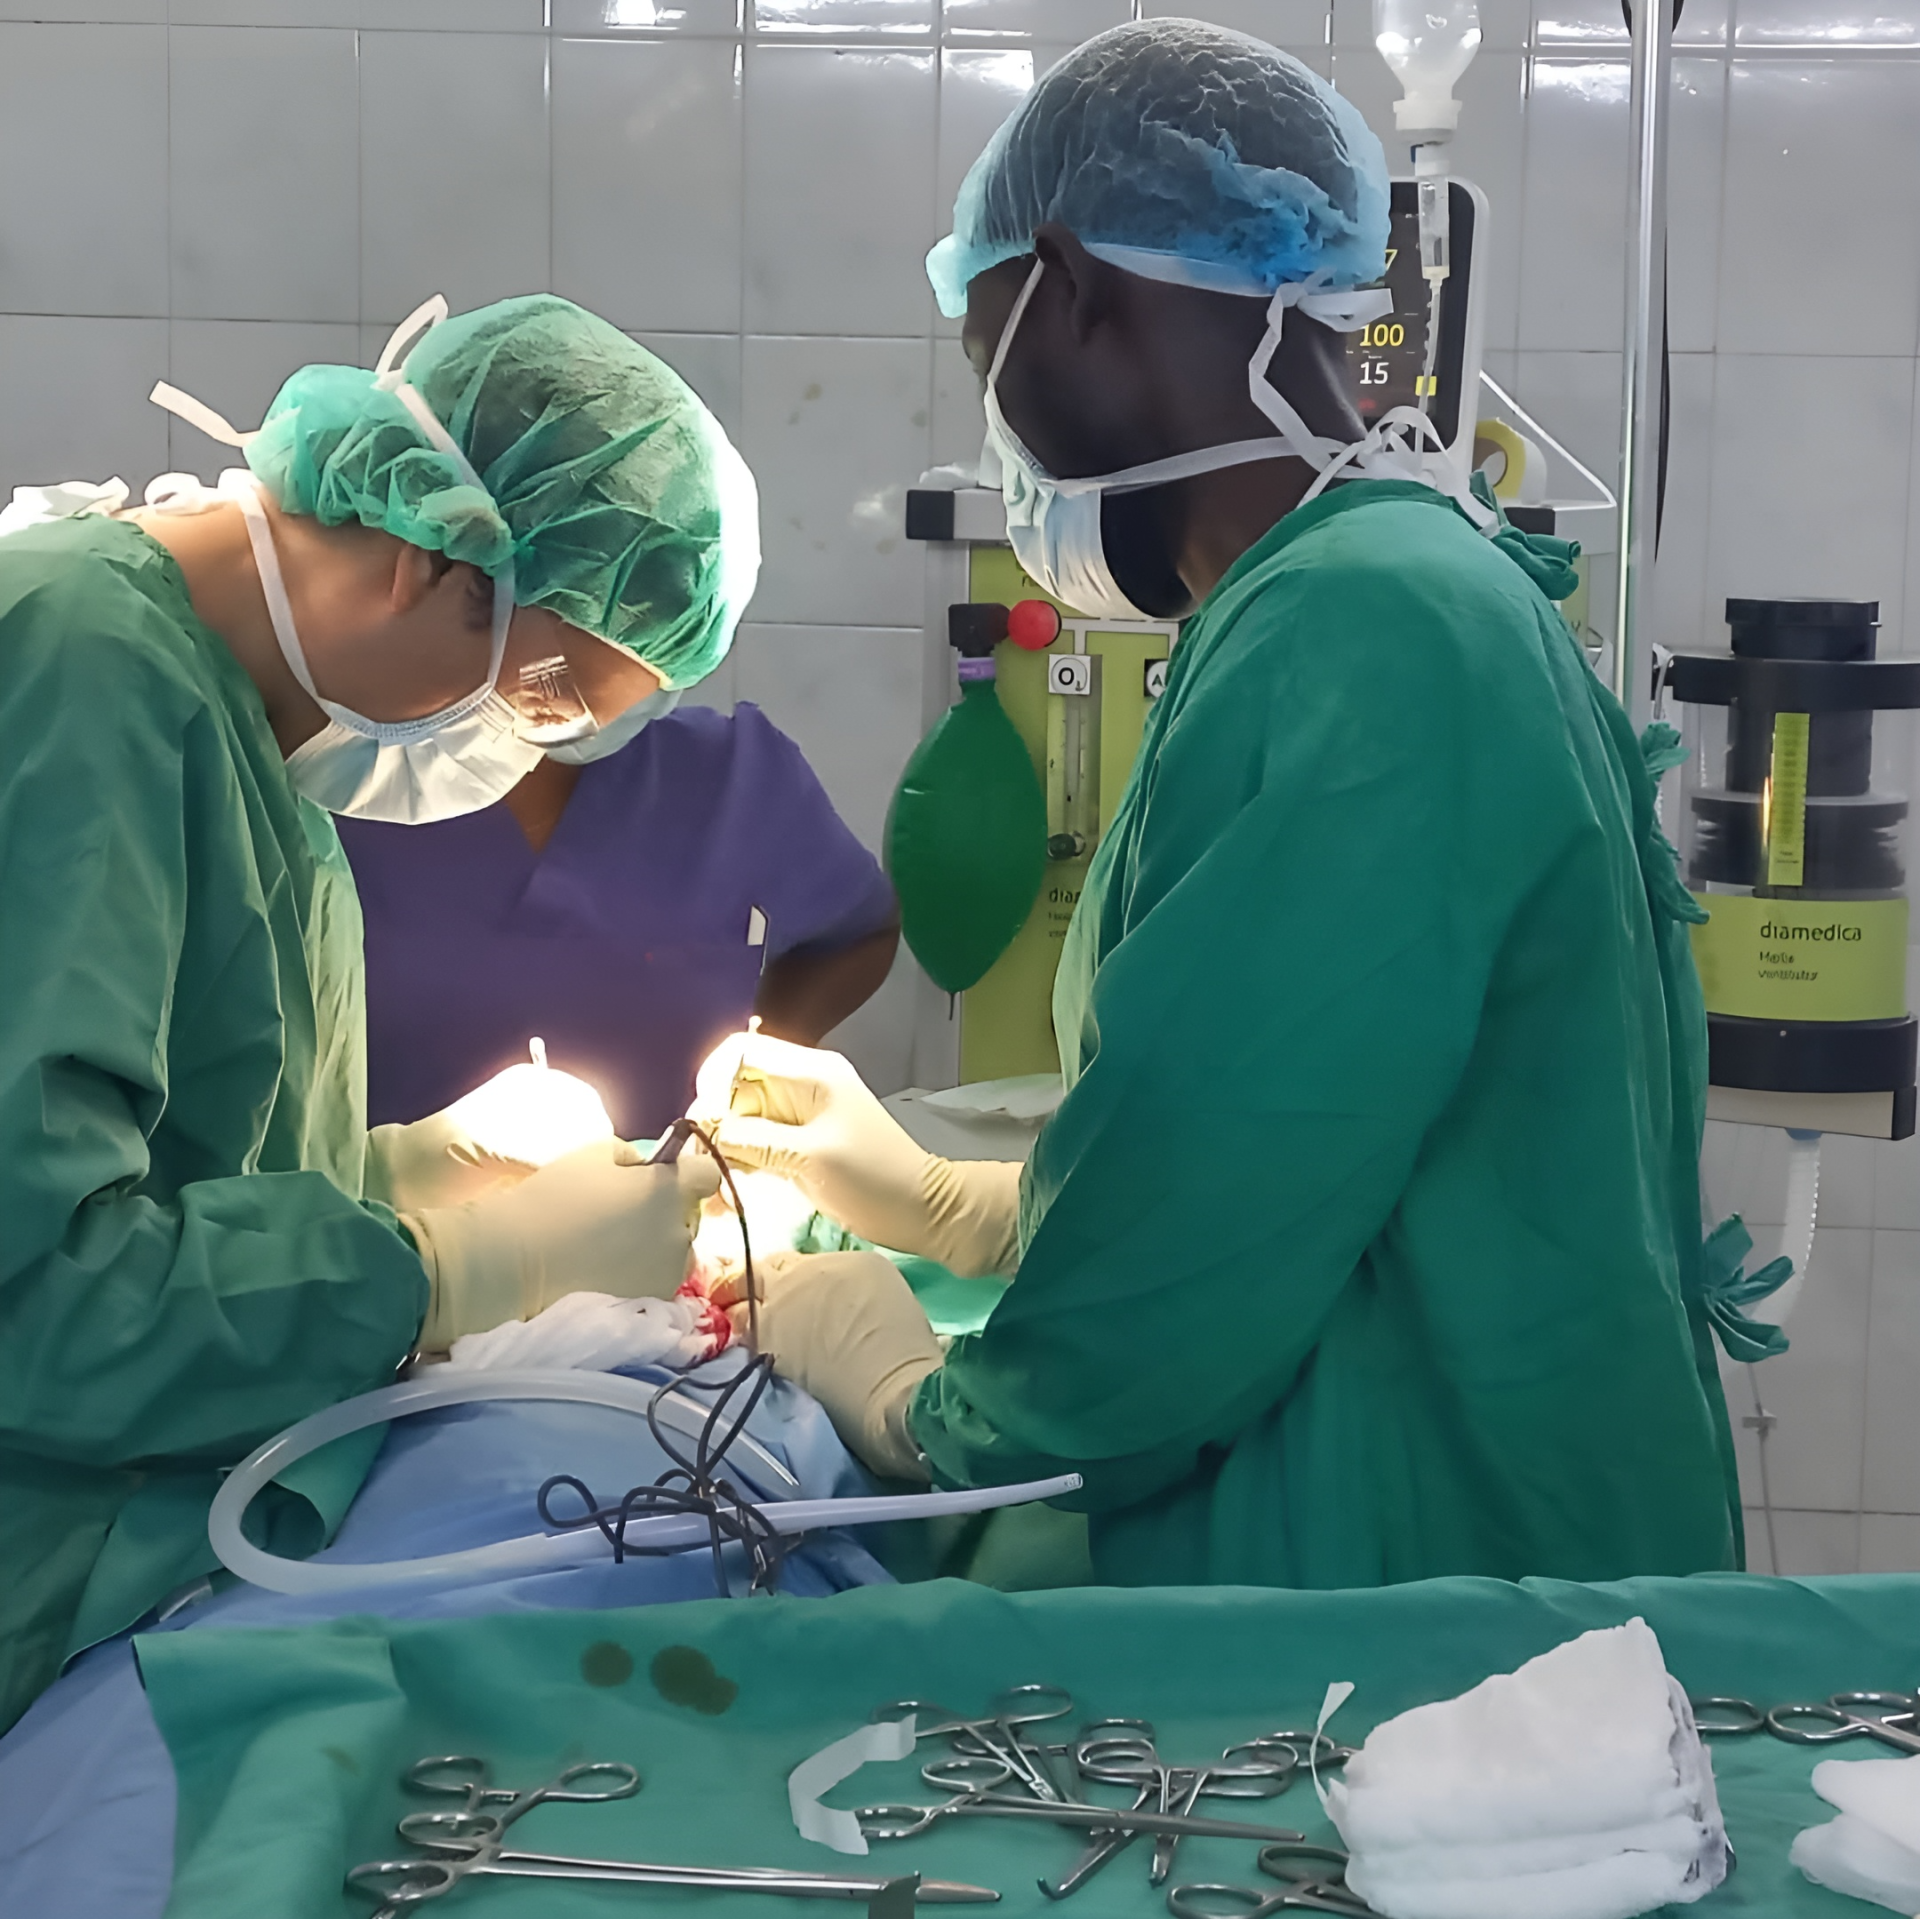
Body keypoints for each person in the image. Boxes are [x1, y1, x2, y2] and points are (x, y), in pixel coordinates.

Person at [693, 20, 1744, 1591]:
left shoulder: (1356, 630)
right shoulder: (1358, 591)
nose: (994, 421)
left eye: (986, 352)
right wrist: (951, 1205)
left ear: (1076, 293)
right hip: (1460, 1539)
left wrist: (923, 1408)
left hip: (1419, 1591)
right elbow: (1282, 1140)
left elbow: (1202, 1251)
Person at [0, 294, 754, 1734]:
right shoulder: (75, 673)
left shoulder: (228, 718)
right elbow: (35, 1297)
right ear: (427, 553)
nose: (529, 746)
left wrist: (413, 1174)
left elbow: (172, 1172)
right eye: (547, 691)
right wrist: (430, 1270)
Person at [337, 698, 899, 1141]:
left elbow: (856, 932)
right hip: (380, 1248)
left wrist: (760, 1071)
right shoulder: (336, 785)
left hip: (673, 1249)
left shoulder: (727, 772)